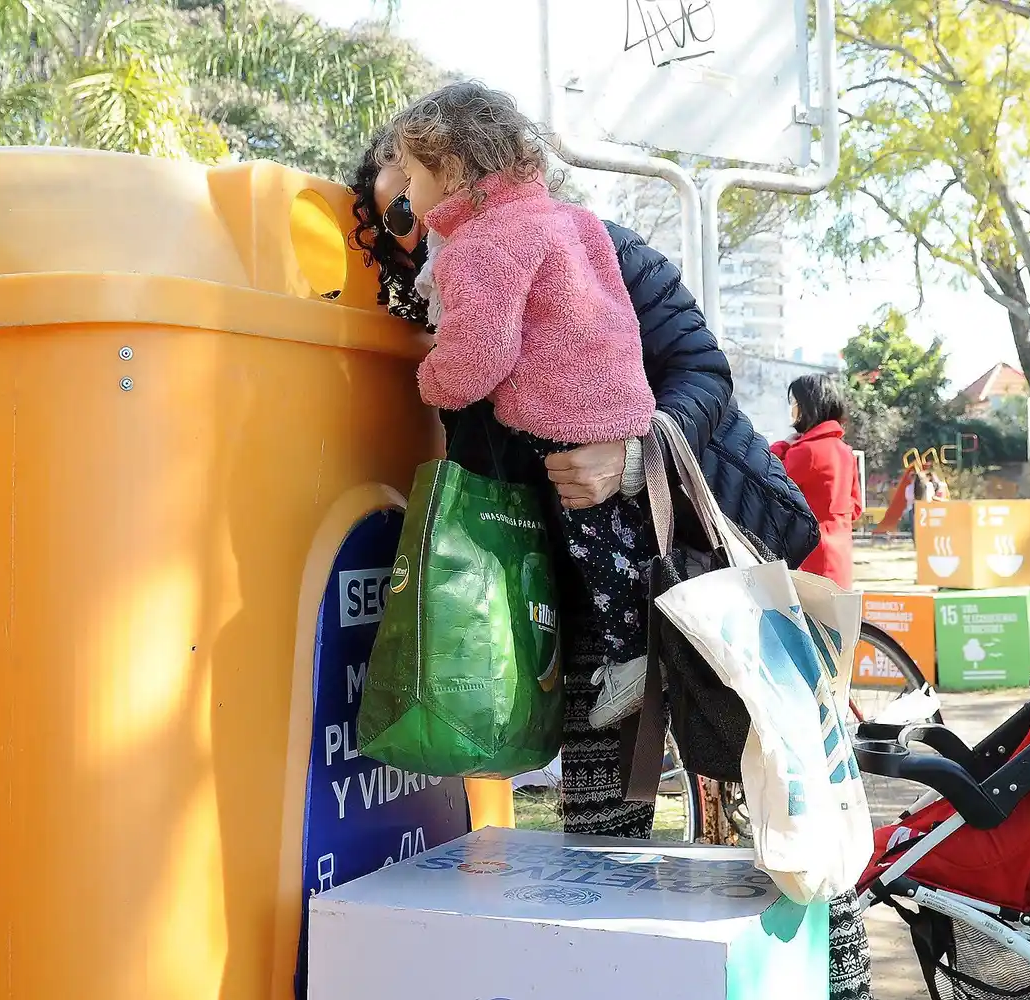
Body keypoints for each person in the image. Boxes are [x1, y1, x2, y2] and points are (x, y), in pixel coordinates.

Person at [350, 126, 870, 1000]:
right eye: (391, 216)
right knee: (600, 840)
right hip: (580, 605)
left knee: (778, 810)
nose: (409, 224)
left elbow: (703, 373)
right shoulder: (444, 302)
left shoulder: (592, 246)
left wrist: (631, 456)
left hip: (710, 568)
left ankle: (835, 983)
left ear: (464, 180)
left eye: (414, 196)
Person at [382, 82, 658, 730]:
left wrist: (428, 381)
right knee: (617, 538)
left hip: (561, 417)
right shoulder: (571, 220)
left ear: (450, 170)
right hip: (615, 400)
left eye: (411, 174)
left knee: (594, 548)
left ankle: (632, 657)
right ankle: (631, 655)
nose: (403, 193)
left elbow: (477, 360)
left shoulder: (480, 247)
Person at [772, 374, 863, 588]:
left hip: (807, 563)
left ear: (807, 407)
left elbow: (769, 483)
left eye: (795, 402)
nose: (793, 408)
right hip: (839, 563)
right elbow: (856, 509)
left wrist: (781, 447)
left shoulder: (804, 452)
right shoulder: (845, 452)